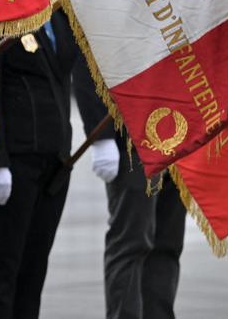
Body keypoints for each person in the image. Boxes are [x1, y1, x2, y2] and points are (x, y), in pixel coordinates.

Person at [0, 9, 110, 319]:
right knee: (2, 271)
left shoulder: (58, 15)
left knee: (33, 273)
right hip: (12, 165)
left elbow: (72, 70)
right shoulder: (0, 14)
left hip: (55, 162)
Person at [74, 60, 187, 319]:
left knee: (168, 243)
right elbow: (87, 62)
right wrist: (100, 138)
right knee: (132, 241)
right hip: (132, 135)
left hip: (180, 130)